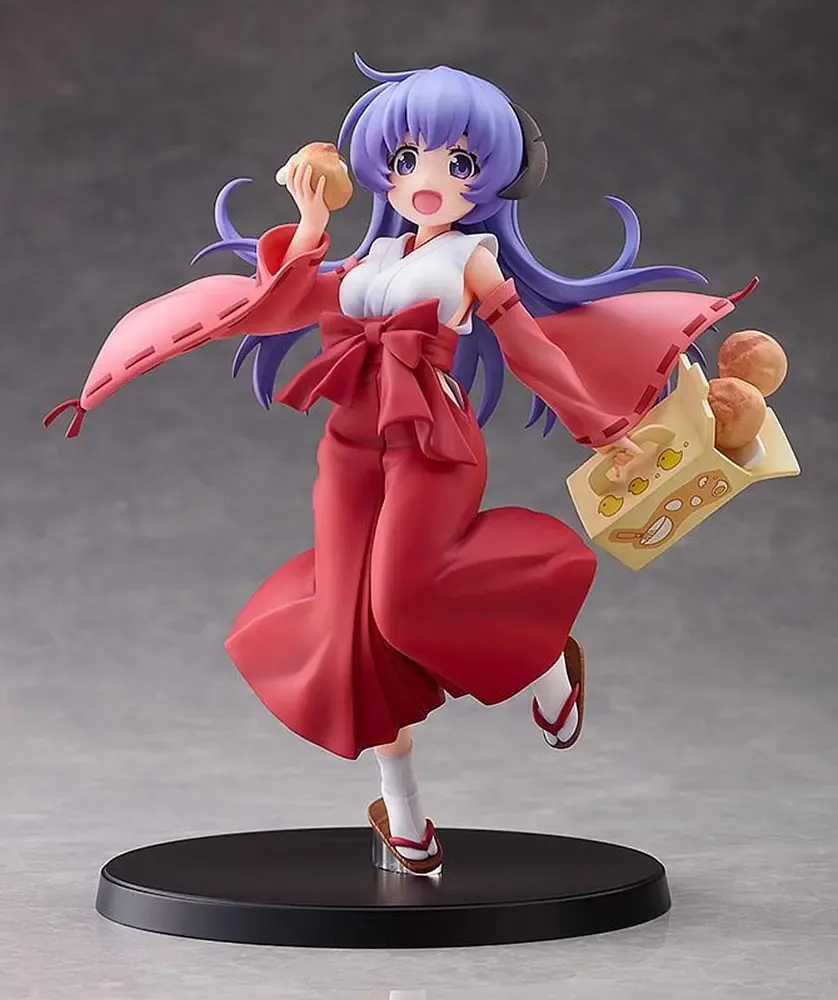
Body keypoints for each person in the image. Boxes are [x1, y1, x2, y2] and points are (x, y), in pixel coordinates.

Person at [46, 55, 733, 875]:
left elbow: (531, 350)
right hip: (349, 447)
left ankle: (544, 650)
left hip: (431, 442)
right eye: (408, 159)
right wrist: (309, 219)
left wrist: (598, 424)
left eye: (460, 161)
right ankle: (402, 811)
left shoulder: (471, 260)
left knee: (406, 601)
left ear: (497, 174)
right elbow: (278, 305)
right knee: (347, 631)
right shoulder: (365, 264)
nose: (429, 179)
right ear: (383, 170)